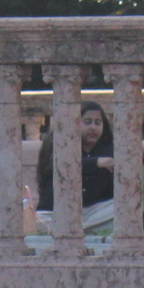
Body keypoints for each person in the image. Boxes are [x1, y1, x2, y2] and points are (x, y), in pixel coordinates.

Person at [35, 101, 116, 236]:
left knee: (126, 206)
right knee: (40, 224)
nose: (93, 127)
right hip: (57, 212)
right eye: (87, 122)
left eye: (97, 123)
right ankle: (77, 230)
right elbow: (62, 167)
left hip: (93, 213)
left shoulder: (108, 150)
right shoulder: (59, 143)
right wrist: (96, 163)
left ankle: (77, 230)